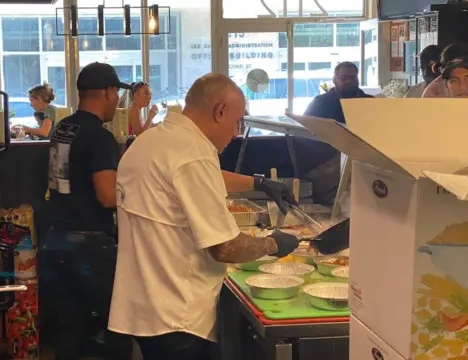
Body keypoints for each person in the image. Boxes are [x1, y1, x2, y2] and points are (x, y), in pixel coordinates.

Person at [108, 73, 301, 360]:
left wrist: (257, 182)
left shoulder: (153, 141)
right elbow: (226, 247)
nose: (236, 133)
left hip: (145, 305)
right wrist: (272, 244)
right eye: (238, 122)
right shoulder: (192, 153)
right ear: (220, 111)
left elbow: (196, 177)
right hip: (179, 316)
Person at [44, 62, 133, 360]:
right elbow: (107, 196)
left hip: (58, 241)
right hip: (90, 248)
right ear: (108, 92)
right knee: (119, 327)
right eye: (117, 93)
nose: (118, 101)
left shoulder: (63, 127)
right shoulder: (99, 136)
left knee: (70, 328)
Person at [303, 62, 374, 124]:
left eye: (353, 77)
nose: (349, 81)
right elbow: (305, 128)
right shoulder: (320, 102)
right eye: (343, 77)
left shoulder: (371, 102)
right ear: (334, 80)